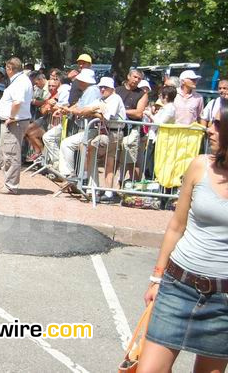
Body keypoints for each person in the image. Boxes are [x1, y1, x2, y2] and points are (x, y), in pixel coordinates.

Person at [139, 98, 228, 372]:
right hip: (177, 286)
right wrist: (156, 278)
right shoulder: (200, 165)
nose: (209, 129)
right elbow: (176, 226)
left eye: (217, 124)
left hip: (223, 302)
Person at [0, 57, 33, 194]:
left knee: (11, 153)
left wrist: (11, 117)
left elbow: (17, 102)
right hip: (13, 122)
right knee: (5, 153)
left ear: (10, 68)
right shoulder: (20, 81)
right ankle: (8, 183)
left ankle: (11, 185)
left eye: (6, 68)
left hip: (15, 122)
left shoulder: (20, 82)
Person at [57, 68, 102, 179]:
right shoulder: (88, 90)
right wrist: (68, 109)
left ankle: (69, 173)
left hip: (91, 127)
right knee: (73, 147)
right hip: (87, 127)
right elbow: (78, 105)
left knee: (67, 144)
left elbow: (83, 109)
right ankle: (76, 176)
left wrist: (71, 110)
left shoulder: (92, 90)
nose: (78, 82)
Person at [87, 77, 126, 202]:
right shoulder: (101, 99)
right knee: (107, 161)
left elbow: (107, 116)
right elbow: (88, 109)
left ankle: (103, 189)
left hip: (114, 133)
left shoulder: (115, 99)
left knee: (96, 151)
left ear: (112, 89)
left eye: (105, 87)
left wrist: (94, 112)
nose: (102, 89)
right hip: (106, 131)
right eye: (101, 87)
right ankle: (105, 190)